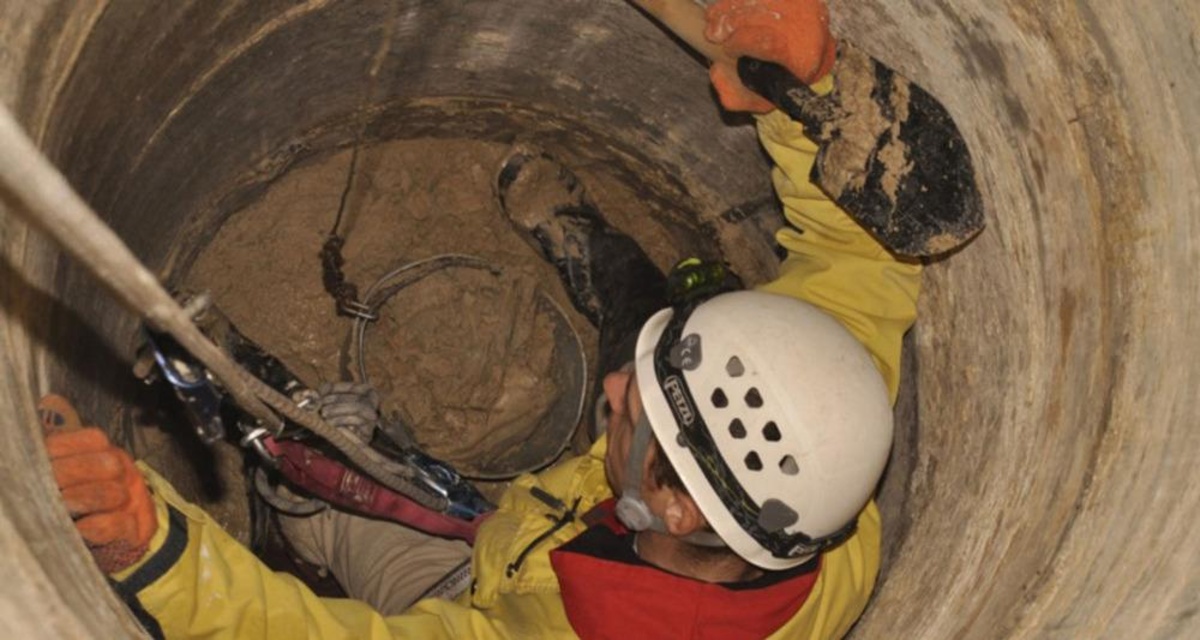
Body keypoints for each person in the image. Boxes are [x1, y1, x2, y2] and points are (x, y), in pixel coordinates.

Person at [40, 0, 924, 637]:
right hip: (559, 527)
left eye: (638, 410)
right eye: (652, 377)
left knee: (314, 504)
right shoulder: (821, 428)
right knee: (646, 311)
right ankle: (602, 265)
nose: (611, 389)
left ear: (677, 511)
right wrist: (808, 90)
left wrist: (156, 553)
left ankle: (275, 500)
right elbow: (866, 263)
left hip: (491, 591)